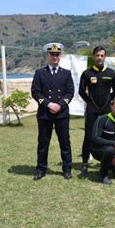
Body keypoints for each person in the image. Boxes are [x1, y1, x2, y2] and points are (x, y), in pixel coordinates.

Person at [31, 42, 74, 180]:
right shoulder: (39, 73)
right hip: (45, 113)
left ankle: (67, 169)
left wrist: (60, 105)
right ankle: (41, 169)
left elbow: (70, 92)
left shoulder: (66, 73)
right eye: (52, 54)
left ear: (60, 56)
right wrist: (49, 104)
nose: (55, 57)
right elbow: (35, 92)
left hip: (61, 113)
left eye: (57, 54)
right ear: (47, 56)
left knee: (65, 142)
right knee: (43, 142)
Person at [79, 46, 115, 177]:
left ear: (105, 57)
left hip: (106, 110)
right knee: (89, 137)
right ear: (94, 56)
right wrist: (89, 101)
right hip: (92, 111)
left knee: (107, 137)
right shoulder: (87, 74)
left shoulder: (112, 73)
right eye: (97, 55)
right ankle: (84, 164)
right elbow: (81, 91)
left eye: (102, 55)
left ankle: (106, 164)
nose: (99, 58)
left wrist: (108, 102)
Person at [91, 97, 115, 184]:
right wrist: (114, 143)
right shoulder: (102, 119)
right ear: (111, 107)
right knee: (110, 149)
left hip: (113, 152)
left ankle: (110, 166)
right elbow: (94, 139)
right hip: (98, 150)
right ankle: (103, 175)